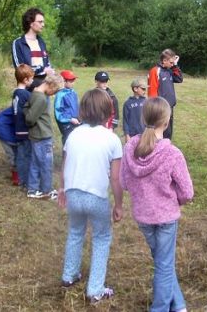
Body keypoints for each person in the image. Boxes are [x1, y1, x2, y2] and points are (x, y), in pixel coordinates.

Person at [121, 97, 194, 312]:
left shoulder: (129, 148)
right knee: (163, 265)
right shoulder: (172, 153)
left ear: (144, 118)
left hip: (143, 216)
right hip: (165, 218)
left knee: (163, 263)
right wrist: (176, 201)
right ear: (167, 121)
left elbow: (125, 183)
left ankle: (178, 305)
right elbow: (188, 193)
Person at [58, 88, 123, 304]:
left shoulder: (73, 134)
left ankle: (69, 275)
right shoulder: (112, 140)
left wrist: (61, 188)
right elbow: (115, 179)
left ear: (83, 110)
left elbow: (65, 164)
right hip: (96, 197)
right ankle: (95, 289)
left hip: (73, 194)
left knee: (75, 232)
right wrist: (119, 204)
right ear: (108, 112)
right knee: (102, 238)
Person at [23, 73, 63, 199]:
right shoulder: (40, 98)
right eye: (55, 90)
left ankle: (33, 189)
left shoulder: (35, 93)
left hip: (37, 135)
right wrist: (29, 116)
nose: (54, 93)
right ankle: (47, 190)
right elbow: (30, 118)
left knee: (35, 163)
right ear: (50, 85)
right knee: (46, 164)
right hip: (42, 136)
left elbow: (25, 108)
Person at [147, 49, 183, 140]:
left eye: (173, 62)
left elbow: (179, 79)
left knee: (168, 133)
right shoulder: (155, 71)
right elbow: (152, 93)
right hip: (161, 109)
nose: (172, 64)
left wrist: (175, 65)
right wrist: (155, 109)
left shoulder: (170, 70)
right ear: (164, 60)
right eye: (171, 62)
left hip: (170, 108)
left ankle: (166, 150)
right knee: (160, 133)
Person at [12, 8, 53, 84]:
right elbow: (20, 70)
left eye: (43, 22)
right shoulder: (18, 43)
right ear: (31, 23)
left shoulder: (42, 42)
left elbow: (47, 63)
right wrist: (42, 69)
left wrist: (50, 71)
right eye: (40, 22)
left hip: (43, 86)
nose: (43, 25)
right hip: (27, 88)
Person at [13, 64, 35, 188]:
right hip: (25, 130)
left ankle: (21, 179)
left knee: (21, 155)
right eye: (31, 78)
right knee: (27, 156)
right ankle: (26, 180)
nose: (32, 81)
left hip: (17, 129)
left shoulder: (15, 93)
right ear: (26, 79)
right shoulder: (26, 94)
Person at [54, 70, 80, 146]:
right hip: (66, 124)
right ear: (64, 81)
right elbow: (58, 113)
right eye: (71, 81)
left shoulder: (73, 92)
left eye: (74, 80)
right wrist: (70, 119)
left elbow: (76, 106)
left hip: (75, 121)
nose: (73, 82)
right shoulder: (60, 95)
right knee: (68, 143)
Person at [122, 78, 147, 142]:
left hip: (145, 134)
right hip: (132, 135)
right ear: (135, 89)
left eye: (145, 89)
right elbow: (125, 120)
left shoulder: (147, 102)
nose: (145, 91)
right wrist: (127, 135)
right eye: (143, 89)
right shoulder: (128, 103)